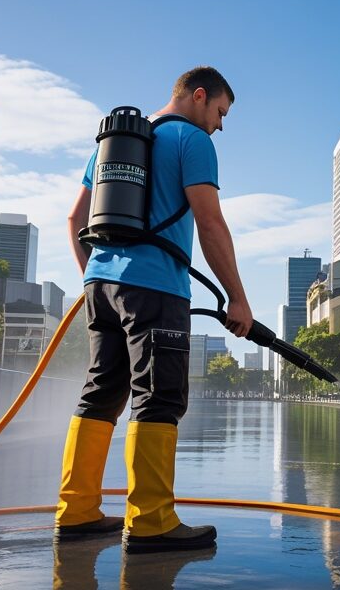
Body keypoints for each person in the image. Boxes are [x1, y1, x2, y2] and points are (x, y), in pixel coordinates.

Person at [55, 66, 252, 553]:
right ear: (199, 96)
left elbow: (75, 217)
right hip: (157, 287)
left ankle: (76, 512)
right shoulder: (191, 140)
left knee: (102, 392)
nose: (220, 125)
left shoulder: (116, 142)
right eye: (221, 112)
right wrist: (238, 297)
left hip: (101, 285)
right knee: (158, 397)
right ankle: (151, 521)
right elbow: (210, 222)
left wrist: (94, 277)